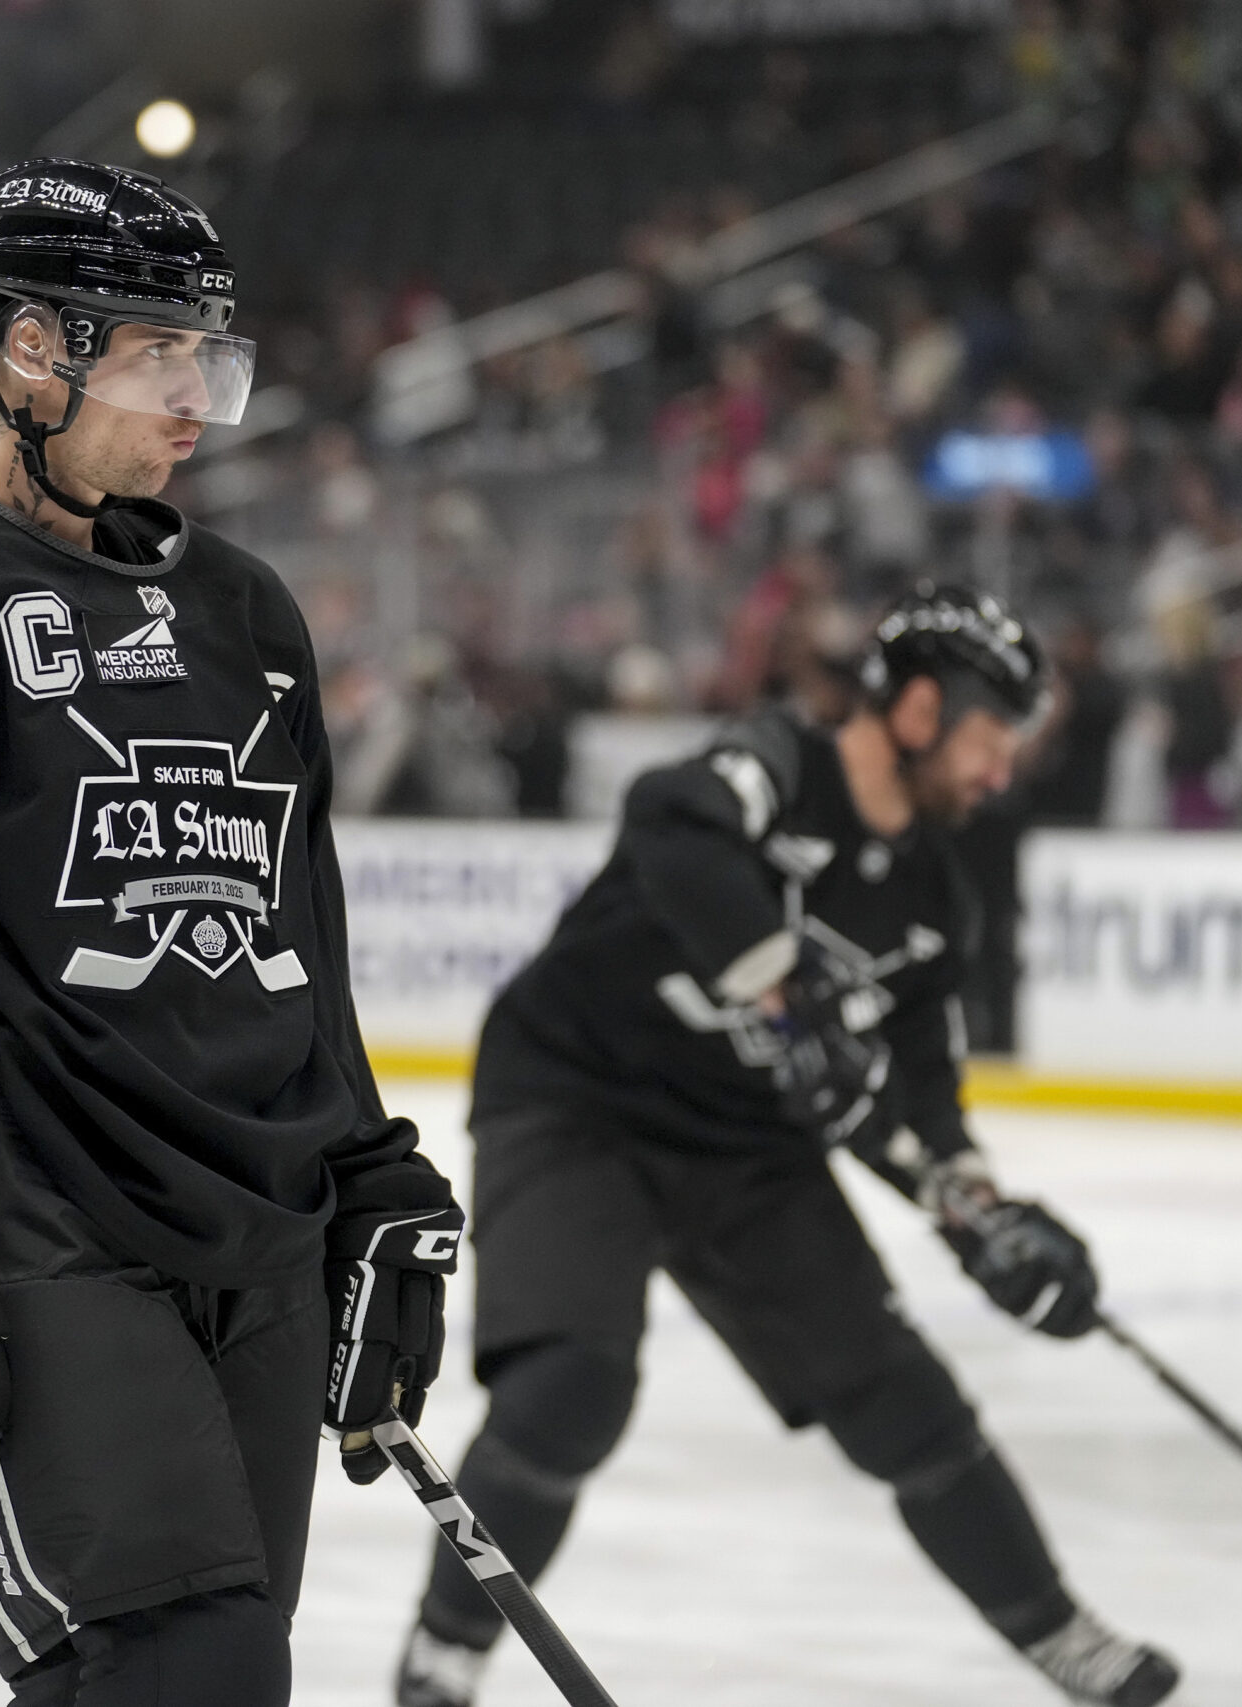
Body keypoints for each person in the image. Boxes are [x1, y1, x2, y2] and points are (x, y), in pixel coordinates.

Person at [0, 158, 460, 1706]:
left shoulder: (250, 611)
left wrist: (365, 1167)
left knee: (211, 1662)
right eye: (159, 350)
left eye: (211, 355)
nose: (199, 396)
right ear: (33, 351)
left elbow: (293, 937)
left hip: (257, 1217)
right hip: (32, 1210)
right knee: (185, 1657)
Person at [395, 585, 1182, 1707]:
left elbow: (918, 1087)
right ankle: (446, 1649)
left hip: (743, 1147)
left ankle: (1058, 1634)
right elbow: (670, 822)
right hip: (576, 1100)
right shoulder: (776, 765)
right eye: (986, 740)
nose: (998, 774)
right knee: (572, 1385)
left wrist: (975, 1206)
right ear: (918, 709)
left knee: (907, 1405)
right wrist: (783, 982)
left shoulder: (932, 901)